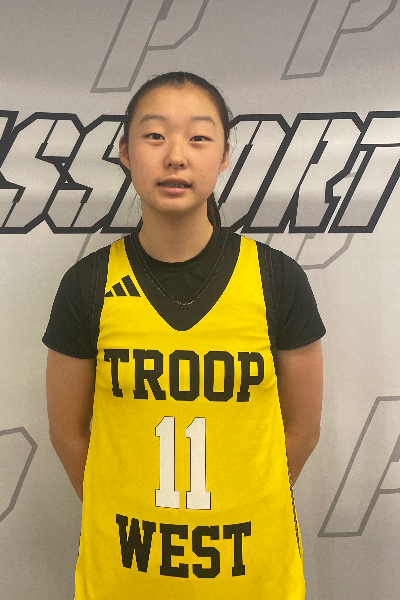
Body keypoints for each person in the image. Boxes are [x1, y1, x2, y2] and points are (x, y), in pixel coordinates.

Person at [44, 71, 325, 600]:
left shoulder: (277, 279)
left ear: (224, 156)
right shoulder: (88, 284)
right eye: (154, 135)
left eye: (198, 137)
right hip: (124, 576)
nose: (176, 156)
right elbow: (68, 433)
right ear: (125, 152)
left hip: (251, 575)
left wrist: (241, 507)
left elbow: (302, 432)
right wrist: (124, 510)